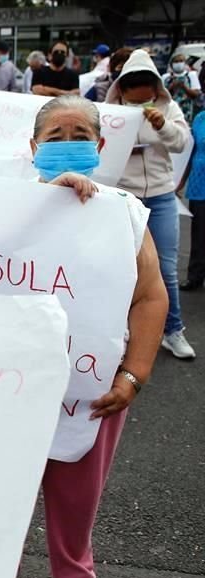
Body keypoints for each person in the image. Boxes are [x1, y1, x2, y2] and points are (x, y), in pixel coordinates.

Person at [27, 94, 168, 578]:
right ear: (33, 147)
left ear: (101, 145)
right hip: (5, 386)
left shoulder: (124, 213)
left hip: (90, 387)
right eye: (55, 137)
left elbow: (151, 297)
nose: (67, 146)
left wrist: (133, 375)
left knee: (78, 492)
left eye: (79, 135)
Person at [106, 49, 194, 359]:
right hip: (124, 198)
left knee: (166, 269)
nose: (141, 105)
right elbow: (100, 147)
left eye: (147, 99)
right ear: (123, 89)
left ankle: (173, 331)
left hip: (161, 196)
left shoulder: (168, 109)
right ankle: (123, 331)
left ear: (156, 89)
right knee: (123, 268)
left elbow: (181, 142)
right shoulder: (110, 110)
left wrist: (161, 126)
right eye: (134, 100)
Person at [179, 108, 205, 290]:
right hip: (199, 184)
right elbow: (190, 151)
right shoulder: (199, 118)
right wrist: (179, 181)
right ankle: (195, 277)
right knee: (199, 234)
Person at [161, 52, 202, 124]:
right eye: (176, 62)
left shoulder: (191, 75)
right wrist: (172, 87)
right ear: (172, 64)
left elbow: (196, 94)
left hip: (187, 112)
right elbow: (162, 96)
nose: (179, 64)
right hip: (170, 112)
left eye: (181, 61)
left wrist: (184, 87)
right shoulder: (166, 77)